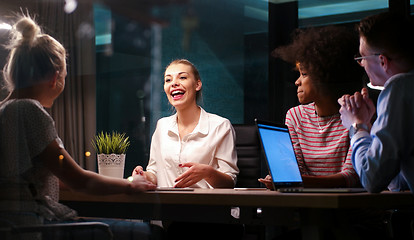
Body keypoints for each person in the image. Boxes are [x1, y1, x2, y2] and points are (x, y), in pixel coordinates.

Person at [0, 15, 161, 240]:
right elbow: (79, 181)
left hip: (11, 227)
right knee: (150, 233)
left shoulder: (5, 110)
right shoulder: (30, 111)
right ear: (54, 77)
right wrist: (129, 184)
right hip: (32, 227)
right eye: (65, 76)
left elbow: (59, 179)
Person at [338, 11, 414, 213]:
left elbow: (371, 179)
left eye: (362, 57)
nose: (361, 64)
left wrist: (357, 126)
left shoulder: (400, 89)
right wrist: (372, 126)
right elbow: (397, 183)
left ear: (382, 61)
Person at [132, 59, 242, 239]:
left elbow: (229, 182)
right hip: (169, 217)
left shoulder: (220, 126)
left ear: (197, 84)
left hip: (208, 220)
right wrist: (145, 175)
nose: (173, 83)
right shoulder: (162, 126)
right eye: (168, 80)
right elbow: (155, 170)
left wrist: (207, 172)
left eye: (182, 77)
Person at [259, 26, 364, 189]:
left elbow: (350, 177)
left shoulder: (357, 115)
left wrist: (287, 180)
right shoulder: (295, 116)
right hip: (307, 207)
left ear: (325, 77)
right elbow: (296, 170)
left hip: (348, 209)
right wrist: (287, 178)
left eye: (304, 74)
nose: (297, 82)